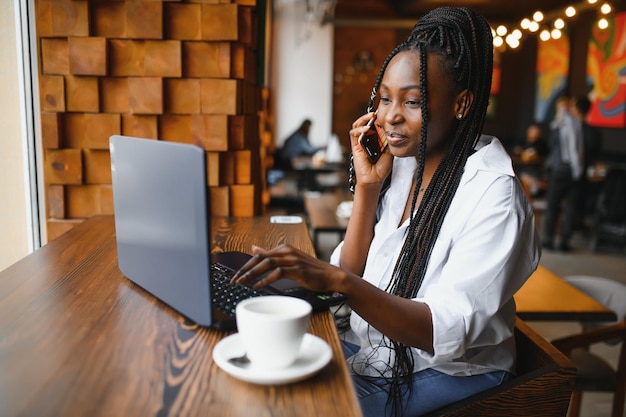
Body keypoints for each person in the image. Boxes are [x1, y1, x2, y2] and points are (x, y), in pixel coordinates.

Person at [232, 7, 540, 417]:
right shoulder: (406, 164)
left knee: (296, 407)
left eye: (413, 101)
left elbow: (440, 329)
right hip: (378, 351)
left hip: (454, 372)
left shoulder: (493, 195)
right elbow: (355, 270)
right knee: (255, 374)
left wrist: (337, 280)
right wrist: (368, 188)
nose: (391, 115)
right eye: (384, 98)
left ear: (462, 103)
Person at [542, 96, 585, 252]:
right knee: (557, 206)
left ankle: (559, 241)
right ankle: (552, 240)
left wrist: (577, 170)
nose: (561, 111)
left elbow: (575, 149)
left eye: (564, 108)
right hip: (560, 169)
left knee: (563, 207)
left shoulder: (572, 124)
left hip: (566, 170)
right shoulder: (556, 125)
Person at [514, 124, 549, 197]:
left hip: (535, 171)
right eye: (529, 132)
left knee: (525, 179)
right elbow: (518, 151)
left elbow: (537, 157)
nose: (529, 134)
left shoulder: (541, 144)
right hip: (524, 168)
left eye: (532, 133)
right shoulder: (525, 142)